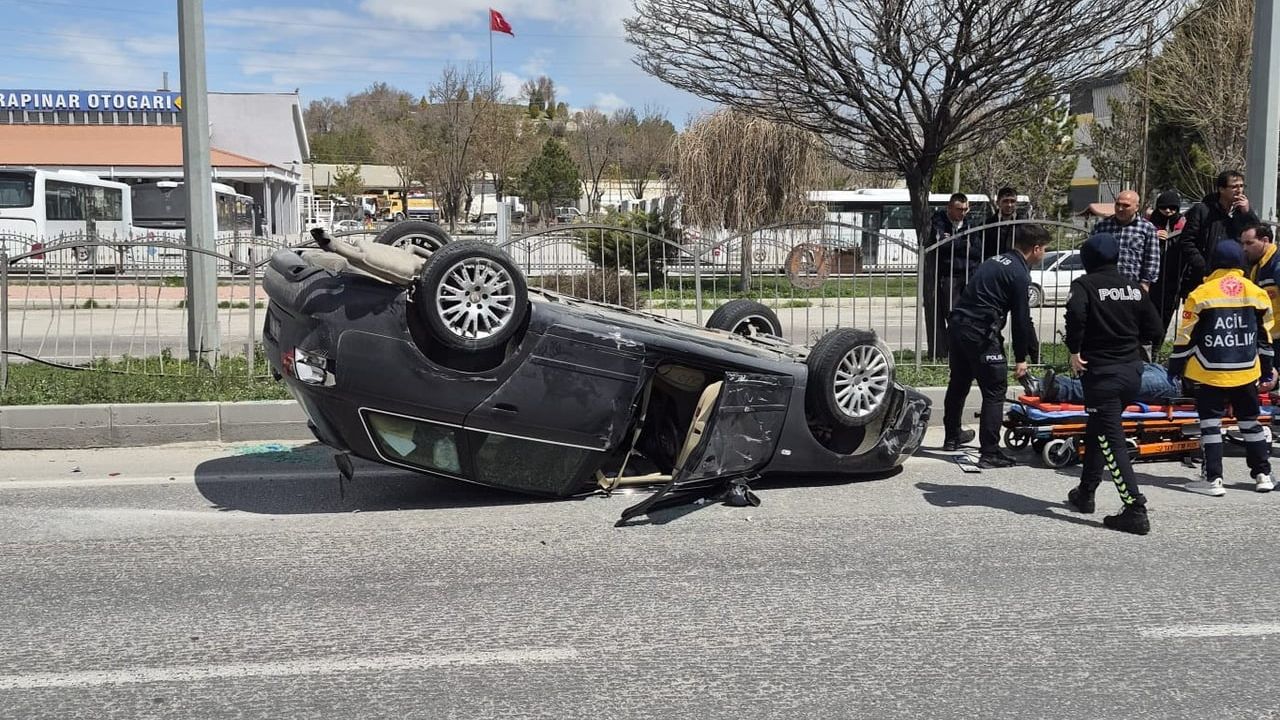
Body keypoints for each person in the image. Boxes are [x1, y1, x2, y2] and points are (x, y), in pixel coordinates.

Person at [1061, 233, 1165, 534]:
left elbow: (1076, 315)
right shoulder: (1133, 288)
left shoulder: (1084, 285)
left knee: (1110, 438)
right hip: (1132, 372)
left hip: (1102, 374)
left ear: (1088, 259)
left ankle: (1135, 507)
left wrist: (1075, 350)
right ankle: (1086, 492)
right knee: (1098, 428)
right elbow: (1155, 329)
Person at [1168, 239, 1275, 497]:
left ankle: (1213, 479)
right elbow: (1265, 336)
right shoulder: (1256, 292)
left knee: (1211, 425)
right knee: (1250, 422)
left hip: (1209, 371)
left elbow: (1185, 337)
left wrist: (1175, 367)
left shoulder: (1201, 294)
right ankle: (1263, 475)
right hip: (1246, 370)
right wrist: (1268, 367)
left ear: (1213, 262)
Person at [942, 224, 1050, 467]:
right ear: (1035, 249)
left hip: (958, 326)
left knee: (959, 382)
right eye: (1044, 249)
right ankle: (990, 452)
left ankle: (952, 437)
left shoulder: (995, 260)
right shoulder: (1020, 275)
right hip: (980, 333)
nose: (1043, 254)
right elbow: (1021, 321)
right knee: (995, 390)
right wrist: (1022, 358)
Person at [1179, 170, 1260, 291]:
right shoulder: (1203, 210)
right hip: (1206, 276)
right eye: (1234, 187)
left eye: (1241, 186)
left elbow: (1258, 236)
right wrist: (1203, 266)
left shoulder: (1243, 213)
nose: (1239, 190)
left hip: (1237, 276)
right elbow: (1186, 241)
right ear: (1221, 189)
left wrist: (1248, 212)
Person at [922, 193, 977, 360]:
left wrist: (954, 241)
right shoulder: (939, 222)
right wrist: (962, 243)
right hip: (949, 275)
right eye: (959, 209)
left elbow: (976, 250)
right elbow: (943, 247)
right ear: (950, 208)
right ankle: (948, 351)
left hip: (968, 274)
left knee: (968, 316)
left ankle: (963, 350)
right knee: (952, 314)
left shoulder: (970, 224)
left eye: (965, 209)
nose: (963, 213)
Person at [1091, 189, 1160, 291]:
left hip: (1133, 287)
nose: (1120, 208)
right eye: (1117, 204)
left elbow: (1152, 258)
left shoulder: (1147, 228)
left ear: (1136, 207)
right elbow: (1091, 254)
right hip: (1104, 286)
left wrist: (1145, 283)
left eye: (1126, 205)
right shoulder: (1102, 226)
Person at [1033, 362, 1182, 405]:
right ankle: (1040, 384)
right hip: (1163, 369)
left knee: (1111, 384)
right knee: (1108, 371)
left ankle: (1059, 389)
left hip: (1175, 383)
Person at [1146, 190, 1187, 338]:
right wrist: (1153, 236)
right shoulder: (1149, 224)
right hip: (1150, 279)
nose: (1168, 211)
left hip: (1172, 280)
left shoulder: (1183, 225)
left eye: (1173, 208)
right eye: (1164, 208)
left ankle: (1157, 349)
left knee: (1164, 317)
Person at [1242, 223, 1280, 361]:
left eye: (1249, 243)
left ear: (1265, 241)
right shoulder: (1257, 266)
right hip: (1267, 341)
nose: (1244, 248)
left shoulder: (1276, 266)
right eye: (1243, 244)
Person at [981, 186, 1026, 259]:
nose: (1009, 205)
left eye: (1012, 201)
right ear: (998, 202)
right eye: (1005, 201)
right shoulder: (987, 225)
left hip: (1016, 266)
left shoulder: (1023, 224)